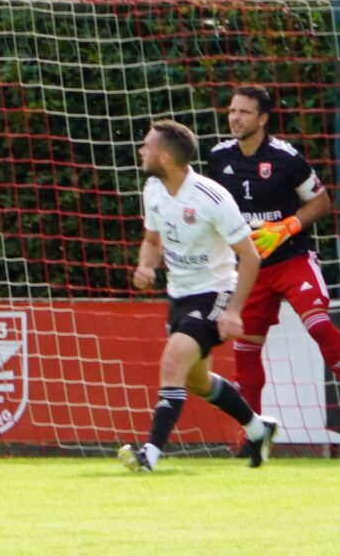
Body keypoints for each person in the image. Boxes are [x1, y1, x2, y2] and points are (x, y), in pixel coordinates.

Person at [208, 85, 340, 444]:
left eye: (244, 112)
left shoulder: (286, 158)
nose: (235, 118)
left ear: (263, 119)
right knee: (245, 351)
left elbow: (321, 202)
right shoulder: (218, 158)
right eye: (232, 110)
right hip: (251, 268)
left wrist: (286, 227)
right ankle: (251, 435)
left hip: (292, 260)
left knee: (318, 326)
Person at [119, 120, 279, 473]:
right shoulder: (154, 189)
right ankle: (258, 428)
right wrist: (146, 267)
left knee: (173, 362)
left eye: (146, 146)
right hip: (179, 295)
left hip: (214, 292)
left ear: (165, 155)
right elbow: (152, 241)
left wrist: (235, 310)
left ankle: (149, 454)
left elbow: (250, 255)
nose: (141, 151)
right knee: (196, 381)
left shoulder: (212, 197)